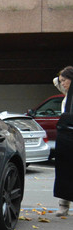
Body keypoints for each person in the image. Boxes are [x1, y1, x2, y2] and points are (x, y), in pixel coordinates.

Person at [53, 66, 73, 216]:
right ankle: (63, 204)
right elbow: (55, 81)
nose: (62, 84)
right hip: (65, 134)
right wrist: (63, 74)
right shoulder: (67, 94)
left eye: (65, 81)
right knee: (63, 169)